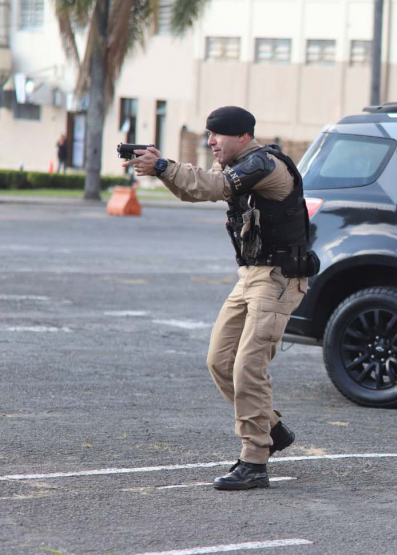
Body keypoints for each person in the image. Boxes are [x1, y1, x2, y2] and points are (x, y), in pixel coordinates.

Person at [123, 106, 312, 490]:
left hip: (278, 279)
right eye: (208, 135)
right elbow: (198, 189)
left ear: (242, 136)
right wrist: (162, 169)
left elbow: (214, 187)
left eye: (216, 135)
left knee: (248, 366)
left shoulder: (264, 165)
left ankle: (255, 461)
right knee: (220, 360)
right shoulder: (243, 164)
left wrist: (162, 167)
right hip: (252, 277)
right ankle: (272, 430)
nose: (210, 142)